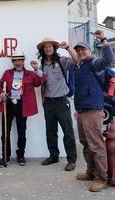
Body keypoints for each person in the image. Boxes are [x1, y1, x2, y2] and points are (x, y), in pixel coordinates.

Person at [74, 30, 113, 192]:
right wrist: (77, 110)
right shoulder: (80, 66)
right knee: (85, 143)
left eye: (83, 49)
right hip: (82, 110)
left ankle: (101, 177)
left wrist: (103, 39)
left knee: (96, 145)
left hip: (93, 109)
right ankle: (91, 172)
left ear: (89, 51)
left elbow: (108, 58)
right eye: (78, 50)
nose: (80, 52)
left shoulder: (94, 63)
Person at [34, 38, 78, 171]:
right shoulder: (42, 65)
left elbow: (76, 60)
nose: (48, 49)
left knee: (68, 132)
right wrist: (43, 100)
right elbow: (42, 84)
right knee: (51, 132)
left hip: (62, 102)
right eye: (45, 47)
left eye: (50, 46)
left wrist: (68, 48)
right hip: (48, 102)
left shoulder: (62, 61)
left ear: (54, 48)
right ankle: (54, 156)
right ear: (43, 50)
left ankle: (71, 160)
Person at [0, 50, 45, 167]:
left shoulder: (30, 74)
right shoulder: (7, 73)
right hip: (8, 104)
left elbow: (40, 82)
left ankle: (20, 155)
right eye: (15, 60)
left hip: (23, 105)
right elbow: (0, 87)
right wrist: (1, 93)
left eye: (20, 60)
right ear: (13, 62)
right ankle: (5, 156)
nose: (18, 63)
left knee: (21, 132)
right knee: (5, 132)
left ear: (23, 61)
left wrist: (37, 69)